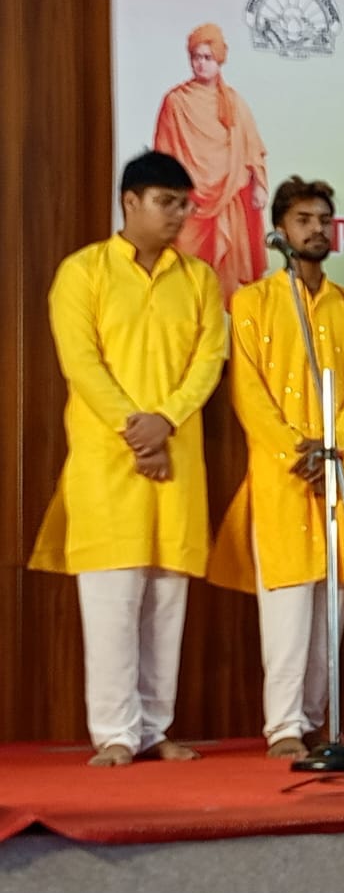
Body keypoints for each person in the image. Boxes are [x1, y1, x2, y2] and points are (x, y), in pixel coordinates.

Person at [29, 150, 227, 766]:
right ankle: (115, 733)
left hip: (177, 460)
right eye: (167, 203)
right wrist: (136, 429)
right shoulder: (83, 272)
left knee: (166, 604)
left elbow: (209, 361)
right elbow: (81, 363)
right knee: (112, 603)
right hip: (108, 464)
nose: (179, 215)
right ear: (130, 202)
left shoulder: (199, 279)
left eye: (185, 205)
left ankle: (153, 728)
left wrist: (166, 420)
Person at [207, 176, 344, 759]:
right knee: (285, 605)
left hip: (338, 470)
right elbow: (249, 393)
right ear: (280, 229)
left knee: (332, 606)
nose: (317, 230)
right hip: (284, 476)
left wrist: (334, 443)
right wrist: (294, 449)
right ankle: (282, 725)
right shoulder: (252, 303)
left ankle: (315, 721)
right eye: (304, 220)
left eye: (325, 220)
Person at [154, 22, 269, 307]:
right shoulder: (176, 102)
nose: (201, 64)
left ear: (219, 59)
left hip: (228, 199)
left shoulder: (233, 103)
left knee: (228, 281)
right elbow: (163, 157)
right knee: (185, 284)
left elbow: (252, 150)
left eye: (207, 57)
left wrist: (259, 185)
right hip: (189, 204)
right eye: (196, 57)